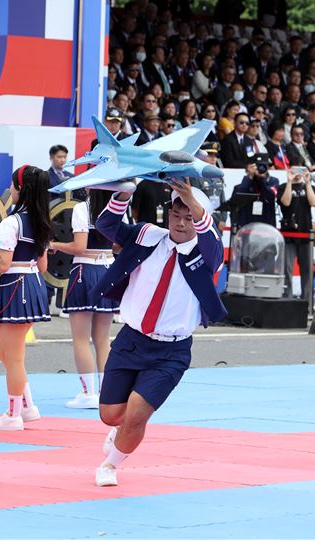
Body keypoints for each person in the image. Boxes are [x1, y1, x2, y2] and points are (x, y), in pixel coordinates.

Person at [92, 179, 226, 487]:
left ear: (200, 219)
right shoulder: (146, 236)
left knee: (137, 413)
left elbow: (213, 244)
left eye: (189, 216)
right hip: (131, 340)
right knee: (110, 415)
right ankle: (121, 428)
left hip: (171, 352)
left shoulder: (206, 254)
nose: (180, 222)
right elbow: (107, 224)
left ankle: (111, 465)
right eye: (175, 214)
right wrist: (125, 192)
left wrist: (193, 198)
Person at [0, 165, 52, 430]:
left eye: (13, 185)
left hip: (15, 285)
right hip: (32, 284)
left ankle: (14, 414)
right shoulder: (41, 221)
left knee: (13, 356)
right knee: (4, 350)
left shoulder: (10, 222)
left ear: (21, 189)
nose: (9, 190)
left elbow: (2, 264)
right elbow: (43, 267)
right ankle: (27, 407)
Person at [50, 189, 119, 409]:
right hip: (108, 269)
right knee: (103, 338)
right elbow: (119, 245)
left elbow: (79, 247)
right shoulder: (117, 208)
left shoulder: (82, 208)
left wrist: (54, 245)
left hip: (85, 271)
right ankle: (107, 394)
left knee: (81, 338)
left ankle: (89, 393)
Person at [278, 168, 315, 299]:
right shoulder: (283, 187)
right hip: (288, 235)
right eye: (294, 170)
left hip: (305, 233)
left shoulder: (310, 187)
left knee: (307, 271)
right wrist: (289, 182)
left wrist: (307, 183)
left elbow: (314, 202)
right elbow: (286, 202)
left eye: (300, 170)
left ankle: (307, 301)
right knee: (287, 269)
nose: (297, 173)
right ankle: (287, 300)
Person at [232, 156, 280, 228]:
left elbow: (271, 196)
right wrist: (250, 176)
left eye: (264, 166)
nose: (260, 169)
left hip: (266, 224)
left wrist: (262, 179)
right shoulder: (246, 182)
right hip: (247, 224)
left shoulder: (273, 181)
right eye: (257, 166)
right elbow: (240, 194)